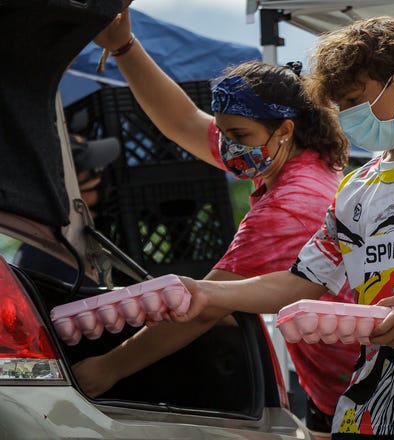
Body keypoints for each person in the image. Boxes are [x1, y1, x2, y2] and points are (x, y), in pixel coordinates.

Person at [163, 16, 394, 439]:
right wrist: (207, 292)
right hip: (368, 409)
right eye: (339, 105)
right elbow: (301, 282)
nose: (347, 116)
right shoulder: (355, 186)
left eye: (354, 99)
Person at [71, 8, 360, 436]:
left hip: (356, 393)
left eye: (238, 136)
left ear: (283, 130)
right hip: (335, 387)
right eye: (224, 133)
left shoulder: (293, 202)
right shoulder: (299, 158)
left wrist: (104, 370)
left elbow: (205, 306)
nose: (226, 148)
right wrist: (123, 48)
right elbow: (184, 122)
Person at [14, 133, 120, 285]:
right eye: (96, 171)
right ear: (71, 190)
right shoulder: (72, 256)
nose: (101, 180)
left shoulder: (37, 240)